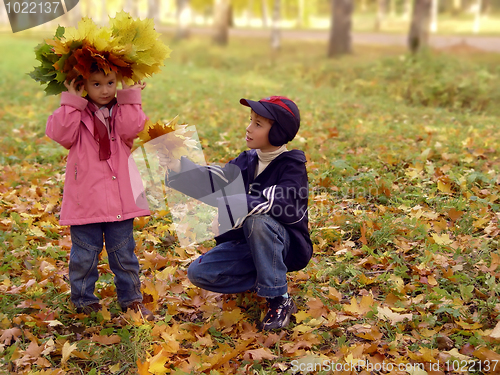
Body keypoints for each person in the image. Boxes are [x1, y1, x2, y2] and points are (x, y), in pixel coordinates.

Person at [161, 96, 313, 330]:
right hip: (246, 244)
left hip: (285, 246)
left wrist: (233, 205)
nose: (248, 128)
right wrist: (179, 167)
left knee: (258, 221)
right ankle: (265, 277)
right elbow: (218, 180)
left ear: (278, 133)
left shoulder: (292, 166)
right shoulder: (247, 160)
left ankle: (279, 298)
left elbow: (274, 202)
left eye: (258, 124)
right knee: (199, 272)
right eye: (250, 121)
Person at [45, 66, 154, 321]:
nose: (105, 90)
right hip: (86, 200)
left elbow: (132, 129)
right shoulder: (76, 114)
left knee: (124, 255)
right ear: (82, 84)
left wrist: (129, 97)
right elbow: (60, 133)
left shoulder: (121, 112)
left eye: (110, 82)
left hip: (120, 199)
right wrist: (71, 102)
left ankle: (131, 300)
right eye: (96, 84)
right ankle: (83, 301)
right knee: (84, 255)